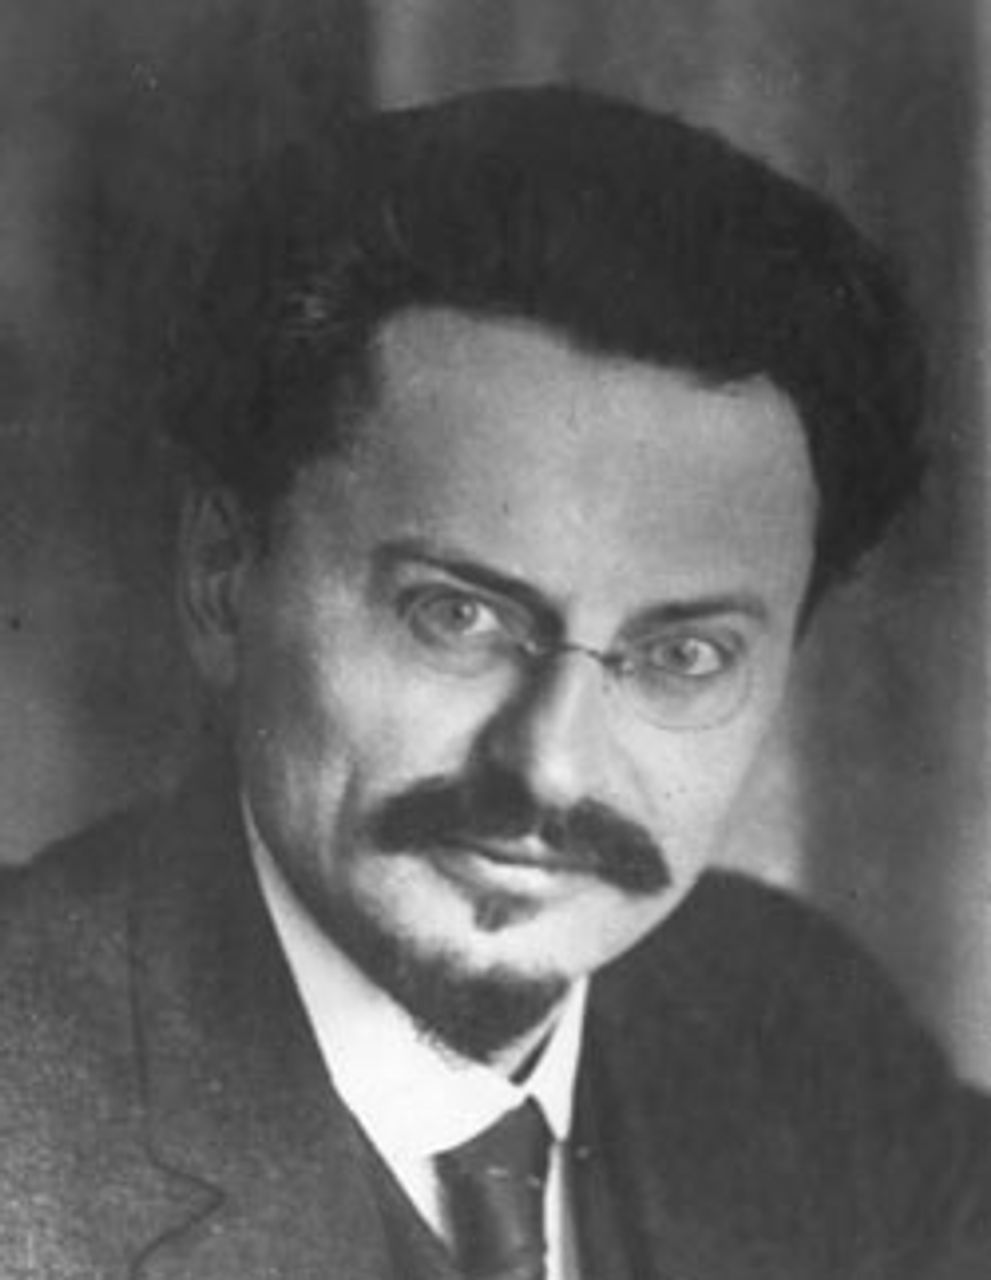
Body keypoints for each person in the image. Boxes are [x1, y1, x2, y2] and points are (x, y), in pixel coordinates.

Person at [0, 86, 988, 1280]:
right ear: (223, 576)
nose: (551, 766)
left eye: (682, 654)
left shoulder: (802, 1036)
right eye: (456, 615)